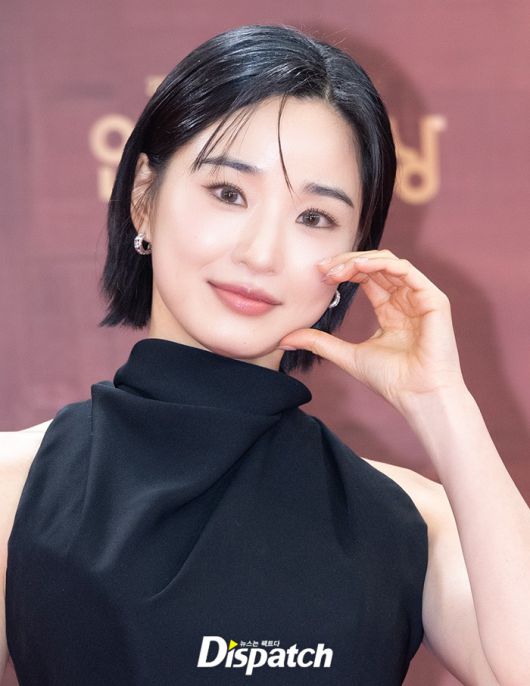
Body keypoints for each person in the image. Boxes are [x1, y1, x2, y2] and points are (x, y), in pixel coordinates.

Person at [1, 23, 529, 686]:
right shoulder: (16, 486)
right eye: (229, 193)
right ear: (143, 197)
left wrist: (441, 402)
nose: (261, 253)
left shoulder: (411, 520)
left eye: (314, 218)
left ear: (353, 259)